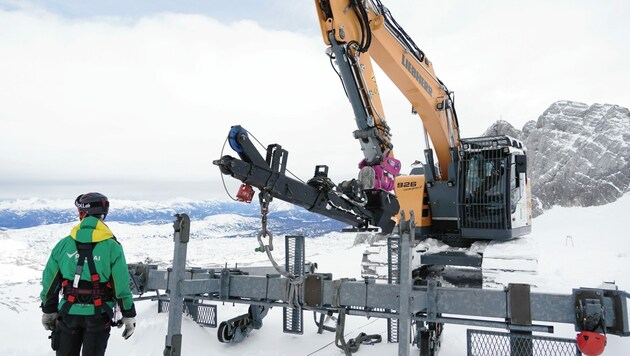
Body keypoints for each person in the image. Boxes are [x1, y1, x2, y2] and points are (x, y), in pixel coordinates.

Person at [40, 192, 137, 356]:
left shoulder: (64, 245)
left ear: (83, 214)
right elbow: (121, 286)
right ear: (102, 215)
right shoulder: (113, 247)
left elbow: (50, 282)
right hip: (99, 314)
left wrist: (49, 310)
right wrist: (128, 314)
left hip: (68, 314)